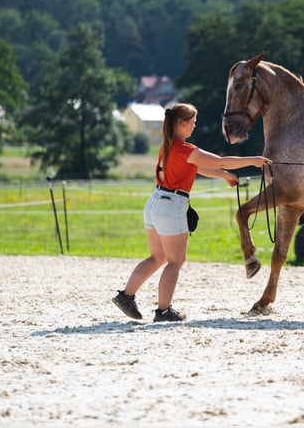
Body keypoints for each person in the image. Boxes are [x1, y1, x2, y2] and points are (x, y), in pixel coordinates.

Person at [112, 103, 271, 322]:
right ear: (182, 123)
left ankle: (126, 296)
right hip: (171, 205)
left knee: (157, 257)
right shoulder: (186, 149)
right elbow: (220, 160)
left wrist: (224, 175)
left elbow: (200, 167)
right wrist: (253, 161)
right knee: (175, 261)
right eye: (193, 122)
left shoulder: (168, 147)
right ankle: (164, 310)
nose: (195, 126)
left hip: (155, 203)